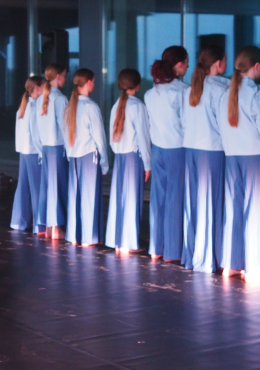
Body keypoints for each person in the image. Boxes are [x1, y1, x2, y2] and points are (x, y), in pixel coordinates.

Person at [182, 45, 228, 273]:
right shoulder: (221, 89)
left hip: (190, 150)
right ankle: (209, 258)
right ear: (219, 63)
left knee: (193, 205)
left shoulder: (190, 89)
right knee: (212, 204)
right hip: (212, 151)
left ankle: (193, 256)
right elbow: (225, 124)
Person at [218, 46, 260, 282]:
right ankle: (254, 267)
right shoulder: (255, 94)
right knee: (255, 212)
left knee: (234, 209)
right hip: (254, 157)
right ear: (257, 67)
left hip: (231, 156)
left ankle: (232, 264)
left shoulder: (226, 95)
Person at [144, 46, 189, 261]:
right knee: (175, 199)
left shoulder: (150, 93)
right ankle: (172, 250)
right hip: (177, 149)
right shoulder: (182, 91)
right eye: (186, 63)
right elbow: (187, 123)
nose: (188, 67)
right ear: (179, 65)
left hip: (158, 149)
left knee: (158, 199)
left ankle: (157, 247)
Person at [105, 69, 151, 253]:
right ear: (137, 85)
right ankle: (129, 243)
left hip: (120, 157)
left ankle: (117, 240)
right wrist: (147, 163)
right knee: (133, 199)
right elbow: (143, 138)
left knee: (119, 199)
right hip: (134, 157)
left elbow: (112, 138)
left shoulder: (116, 105)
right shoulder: (138, 106)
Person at [63, 68, 109, 246]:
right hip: (89, 156)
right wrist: (104, 162)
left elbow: (65, 134)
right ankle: (89, 237)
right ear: (88, 82)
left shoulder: (69, 107)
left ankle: (74, 235)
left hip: (74, 157)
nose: (94, 84)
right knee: (90, 197)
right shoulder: (91, 107)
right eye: (94, 81)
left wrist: (69, 155)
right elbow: (99, 137)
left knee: (75, 197)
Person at [35, 63, 69, 240]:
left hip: (46, 148)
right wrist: (69, 149)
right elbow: (65, 127)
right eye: (64, 75)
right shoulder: (60, 98)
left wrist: (41, 149)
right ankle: (57, 228)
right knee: (58, 187)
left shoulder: (40, 98)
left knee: (48, 187)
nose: (66, 79)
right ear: (58, 77)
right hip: (57, 148)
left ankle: (49, 226)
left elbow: (35, 129)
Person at [10, 75, 46, 233]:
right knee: (37, 188)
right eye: (44, 86)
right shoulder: (34, 108)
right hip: (33, 152)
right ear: (37, 88)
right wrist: (42, 152)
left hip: (24, 152)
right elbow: (36, 134)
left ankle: (18, 221)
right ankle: (39, 225)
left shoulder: (23, 108)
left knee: (23, 186)